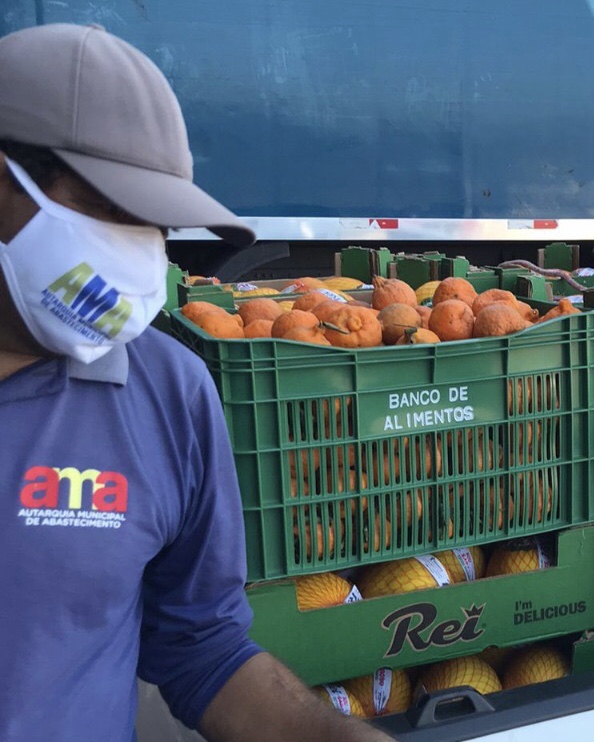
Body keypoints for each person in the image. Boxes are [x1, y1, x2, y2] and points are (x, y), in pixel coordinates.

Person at [0, 23, 394, 742]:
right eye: (108, 210)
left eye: (153, 225)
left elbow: (201, 648)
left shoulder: (167, 393)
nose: (136, 254)